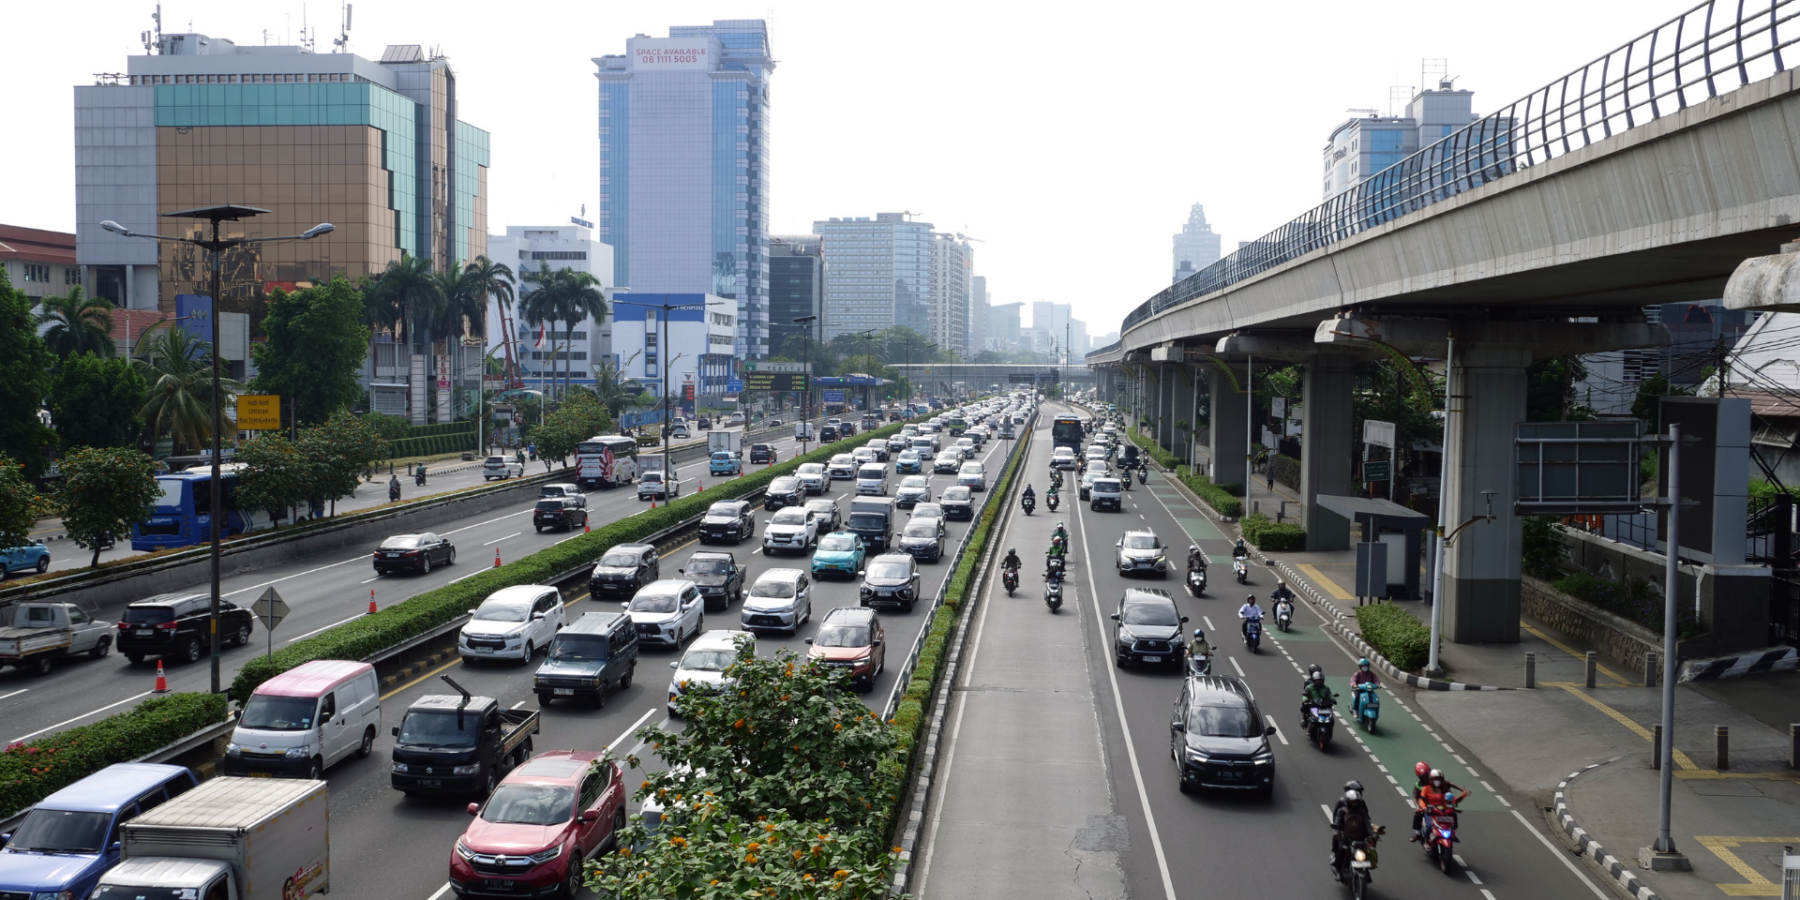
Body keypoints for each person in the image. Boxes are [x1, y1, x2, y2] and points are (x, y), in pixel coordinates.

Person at [1330, 783, 1381, 876]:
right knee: (1341, 850)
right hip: (1346, 838)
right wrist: (1337, 829)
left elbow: (1367, 823)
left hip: (1360, 837)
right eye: (1352, 802)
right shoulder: (1342, 810)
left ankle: (1366, 868)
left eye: (1356, 802)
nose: (1354, 804)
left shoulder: (1362, 811)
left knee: (1369, 848)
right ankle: (1337, 868)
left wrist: (1373, 834)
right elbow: (1337, 821)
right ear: (1348, 802)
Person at [1415, 769, 1467, 842]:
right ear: (1431, 780)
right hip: (1430, 812)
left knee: (1452, 823)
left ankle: (1453, 834)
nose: (1437, 781)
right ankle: (1426, 841)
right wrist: (1424, 808)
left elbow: (1454, 799)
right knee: (1430, 826)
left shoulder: (1444, 789)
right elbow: (1422, 800)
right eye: (1435, 779)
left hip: (1442, 811)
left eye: (1439, 779)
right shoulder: (1426, 789)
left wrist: (1464, 794)